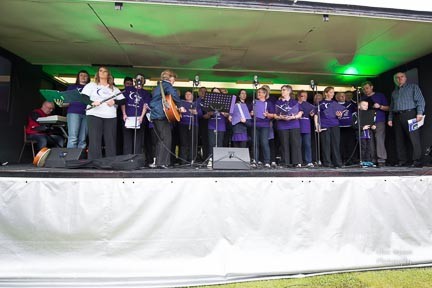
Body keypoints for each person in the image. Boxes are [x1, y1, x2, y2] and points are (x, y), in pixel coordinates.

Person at [82, 66, 125, 160]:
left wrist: (115, 102)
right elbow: (84, 97)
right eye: (100, 71)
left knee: (110, 140)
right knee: (94, 139)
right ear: (97, 73)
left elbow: (123, 100)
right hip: (94, 114)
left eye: (105, 71)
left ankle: (111, 161)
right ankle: (94, 161)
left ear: (108, 74)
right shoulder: (91, 85)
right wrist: (91, 102)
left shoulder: (114, 89)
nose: (102, 72)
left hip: (110, 116)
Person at [388, 72, 425, 167]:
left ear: (405, 78)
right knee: (399, 139)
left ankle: (417, 161)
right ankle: (402, 161)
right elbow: (392, 107)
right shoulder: (394, 92)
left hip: (410, 114)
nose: (399, 79)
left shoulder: (413, 87)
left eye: (402, 77)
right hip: (397, 116)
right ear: (395, 80)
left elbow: (420, 100)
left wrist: (420, 113)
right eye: (397, 77)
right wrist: (390, 118)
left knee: (414, 138)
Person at [149, 69, 185, 168]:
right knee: (166, 139)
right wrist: (180, 105)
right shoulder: (167, 85)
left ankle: (158, 162)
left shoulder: (158, 87)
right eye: (174, 79)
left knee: (160, 140)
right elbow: (174, 94)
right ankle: (162, 163)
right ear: (170, 77)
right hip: (161, 116)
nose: (174, 81)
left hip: (155, 116)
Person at [121, 74, 151, 155]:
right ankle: (127, 159)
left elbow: (146, 105)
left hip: (139, 119)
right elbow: (123, 102)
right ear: (134, 80)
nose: (139, 80)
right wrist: (124, 114)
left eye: (141, 79)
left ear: (144, 81)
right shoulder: (128, 89)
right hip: (127, 118)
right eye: (138, 78)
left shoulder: (146, 93)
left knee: (138, 141)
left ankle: (136, 159)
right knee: (127, 140)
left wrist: (141, 116)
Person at [314, 87, 343, 168]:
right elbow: (316, 115)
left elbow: (339, 115)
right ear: (326, 93)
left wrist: (339, 115)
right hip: (325, 125)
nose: (332, 94)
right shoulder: (320, 103)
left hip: (335, 125)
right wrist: (317, 125)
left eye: (333, 92)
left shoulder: (335, 103)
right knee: (326, 144)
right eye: (330, 92)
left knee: (335, 144)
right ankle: (327, 162)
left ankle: (337, 162)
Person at [361, 81, 389, 166]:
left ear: (372, 87)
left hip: (379, 120)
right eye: (364, 89)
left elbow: (388, 108)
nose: (365, 90)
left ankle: (381, 159)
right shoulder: (362, 98)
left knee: (379, 139)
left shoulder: (380, 95)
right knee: (370, 141)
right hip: (367, 121)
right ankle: (372, 159)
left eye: (367, 88)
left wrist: (380, 106)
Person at [274, 85, 303, 168]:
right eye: (282, 90)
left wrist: (293, 117)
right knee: (284, 144)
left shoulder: (294, 102)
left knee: (295, 144)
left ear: (289, 91)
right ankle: (285, 162)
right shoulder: (278, 102)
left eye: (284, 90)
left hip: (294, 125)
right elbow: (275, 115)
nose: (282, 91)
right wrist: (280, 117)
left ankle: (296, 162)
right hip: (282, 125)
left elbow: (300, 113)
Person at [64, 70, 90, 149]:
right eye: (81, 75)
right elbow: (66, 103)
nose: (83, 77)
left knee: (82, 139)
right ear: (78, 77)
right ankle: (71, 159)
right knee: (73, 138)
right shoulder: (72, 87)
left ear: (88, 78)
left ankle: (81, 160)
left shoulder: (90, 88)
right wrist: (60, 103)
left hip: (87, 114)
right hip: (73, 113)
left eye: (85, 76)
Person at [250, 87, 275, 168]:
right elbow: (249, 113)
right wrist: (251, 113)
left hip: (265, 125)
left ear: (265, 94)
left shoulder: (269, 103)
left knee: (264, 143)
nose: (259, 94)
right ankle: (255, 160)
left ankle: (267, 161)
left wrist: (267, 115)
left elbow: (273, 115)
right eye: (258, 92)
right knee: (255, 143)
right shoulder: (254, 102)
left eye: (260, 92)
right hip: (255, 125)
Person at [179, 90, 201, 164]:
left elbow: (201, 114)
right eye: (186, 94)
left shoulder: (196, 104)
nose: (187, 95)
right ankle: (183, 160)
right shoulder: (181, 102)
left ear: (192, 95)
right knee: (183, 143)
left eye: (189, 94)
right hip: (183, 124)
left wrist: (196, 112)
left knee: (193, 143)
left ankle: (192, 160)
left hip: (194, 125)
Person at [352, 100, 376, 167]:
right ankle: (362, 161)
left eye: (367, 105)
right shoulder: (356, 114)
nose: (366, 107)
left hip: (368, 133)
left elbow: (372, 123)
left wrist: (373, 126)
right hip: (361, 134)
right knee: (363, 147)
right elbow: (354, 125)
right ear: (359, 106)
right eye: (364, 105)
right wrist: (362, 128)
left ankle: (368, 161)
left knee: (369, 147)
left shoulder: (369, 113)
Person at [336, 92, 357, 165]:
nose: (343, 97)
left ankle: (350, 160)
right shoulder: (334, 105)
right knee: (341, 145)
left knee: (350, 144)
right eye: (341, 96)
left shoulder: (350, 104)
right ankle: (341, 160)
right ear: (337, 98)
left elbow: (357, 109)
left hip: (349, 127)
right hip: (339, 128)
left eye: (343, 96)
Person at [297, 90, 314, 167]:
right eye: (303, 95)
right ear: (299, 96)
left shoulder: (309, 105)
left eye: (306, 96)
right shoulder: (295, 104)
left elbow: (314, 113)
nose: (305, 97)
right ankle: (298, 161)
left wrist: (313, 114)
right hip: (296, 126)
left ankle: (309, 161)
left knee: (307, 144)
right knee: (298, 144)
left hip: (306, 126)